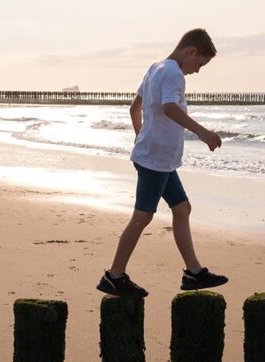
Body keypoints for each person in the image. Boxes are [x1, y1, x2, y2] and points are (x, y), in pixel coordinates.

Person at [96, 28, 227, 298]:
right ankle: (114, 275)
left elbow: (134, 108)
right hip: (155, 160)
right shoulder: (174, 74)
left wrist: (140, 138)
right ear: (190, 51)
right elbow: (169, 107)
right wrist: (203, 133)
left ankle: (193, 272)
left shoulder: (155, 68)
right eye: (200, 63)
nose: (198, 70)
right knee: (142, 216)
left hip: (159, 159)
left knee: (182, 208)